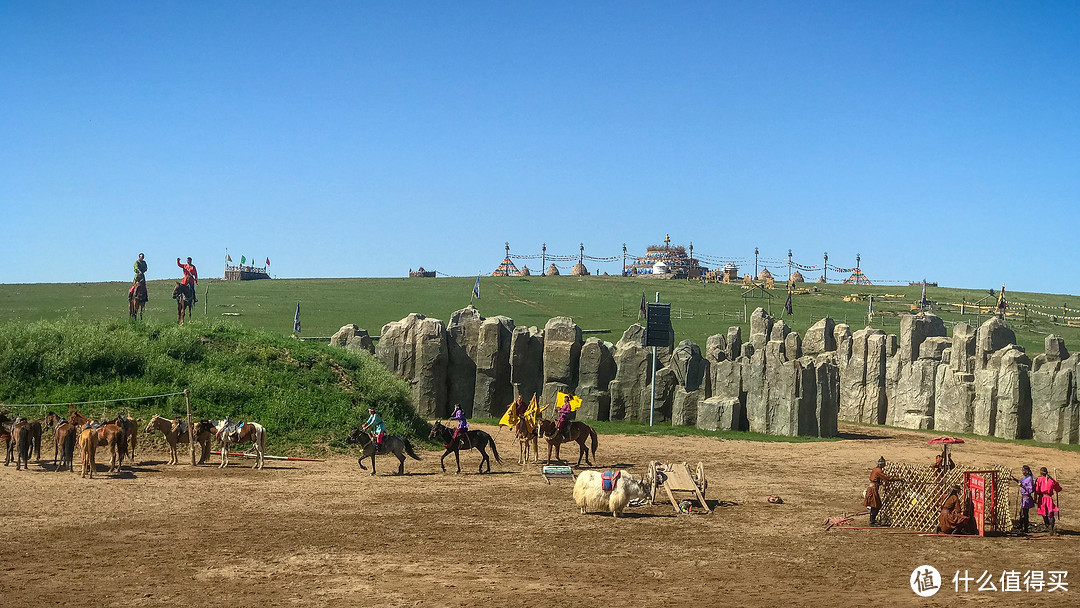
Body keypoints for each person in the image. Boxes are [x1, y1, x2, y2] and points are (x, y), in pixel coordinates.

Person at [864, 456, 897, 526]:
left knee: (876, 505)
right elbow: (886, 478)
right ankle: (872, 522)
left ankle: (873, 521)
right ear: (881, 464)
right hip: (873, 489)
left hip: (873, 488)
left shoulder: (874, 469)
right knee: (875, 505)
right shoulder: (878, 470)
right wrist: (897, 479)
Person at [1035, 467, 1062, 535]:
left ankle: (1049, 527)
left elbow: (1037, 490)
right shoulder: (1051, 480)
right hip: (1049, 498)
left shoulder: (1039, 479)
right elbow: (1058, 489)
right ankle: (1051, 527)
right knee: (1050, 513)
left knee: (1044, 513)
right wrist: (1055, 483)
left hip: (1042, 498)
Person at [1013, 465, 1036, 533]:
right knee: (1021, 513)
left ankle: (1025, 528)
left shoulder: (1029, 479)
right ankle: (1021, 525)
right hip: (1024, 498)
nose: (1022, 472)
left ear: (1026, 471)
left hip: (1027, 498)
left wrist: (1022, 486)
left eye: (1023, 471)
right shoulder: (1026, 478)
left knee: (1025, 513)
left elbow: (1030, 489)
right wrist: (1015, 479)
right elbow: (1021, 482)